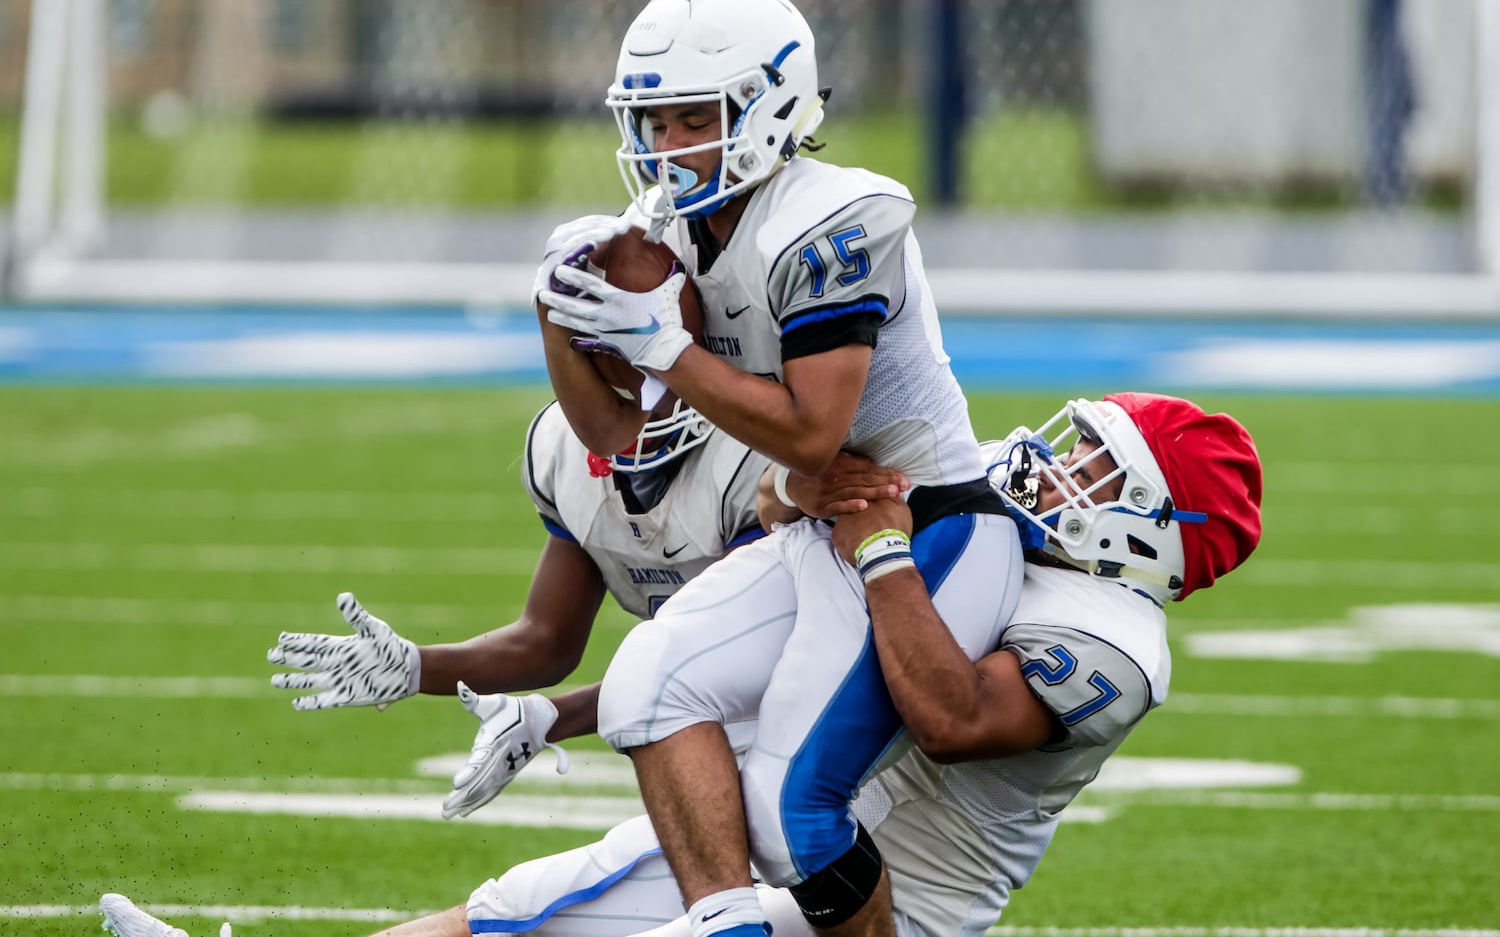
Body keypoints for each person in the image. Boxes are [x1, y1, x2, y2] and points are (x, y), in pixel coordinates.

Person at [100, 392, 1263, 937]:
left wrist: (889, 549)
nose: (1058, 465)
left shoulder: (1114, 647)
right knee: (517, 908)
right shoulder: (999, 521)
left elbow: (948, 711)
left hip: (887, 900)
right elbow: (782, 598)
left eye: (1099, 472)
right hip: (786, 807)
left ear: (1154, 531)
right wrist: (805, 493)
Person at [535, 0, 1021, 937]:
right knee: (648, 685)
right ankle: (727, 924)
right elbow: (615, 433)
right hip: (816, 527)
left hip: (932, 532)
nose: (667, 149)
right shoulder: (667, 233)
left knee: (794, 814)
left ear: (770, 105)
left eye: (690, 120)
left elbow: (811, 432)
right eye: (653, 124)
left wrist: (657, 344)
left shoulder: (837, 216)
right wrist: (561, 317)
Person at [264, 390, 771, 816]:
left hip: (793, 740)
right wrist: (418, 667)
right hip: (691, 751)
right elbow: (546, 639)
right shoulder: (565, 451)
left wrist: (549, 717)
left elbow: (716, 661)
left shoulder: (747, 456)